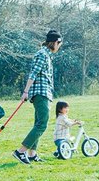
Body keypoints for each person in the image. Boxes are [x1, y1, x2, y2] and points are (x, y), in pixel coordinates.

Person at [12, 30, 63, 164]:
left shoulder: (46, 54)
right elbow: (33, 74)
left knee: (38, 123)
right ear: (54, 42)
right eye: (59, 44)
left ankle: (32, 154)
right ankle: (20, 151)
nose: (59, 47)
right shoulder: (42, 55)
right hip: (41, 93)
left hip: (44, 93)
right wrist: (25, 92)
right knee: (42, 124)